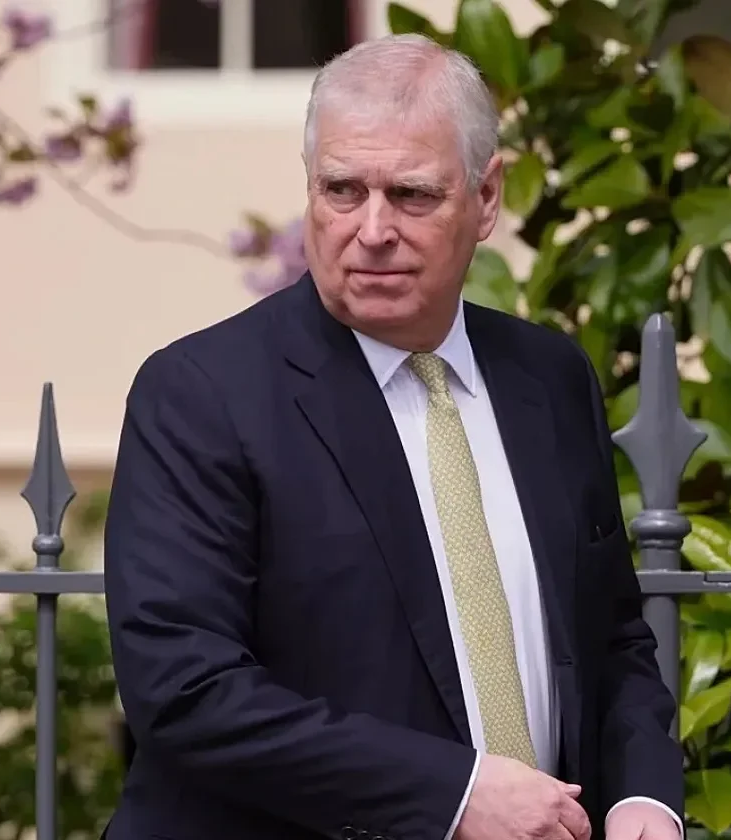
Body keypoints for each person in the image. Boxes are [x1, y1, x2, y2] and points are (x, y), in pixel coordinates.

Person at [102, 33, 684, 840]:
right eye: (342, 190)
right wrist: (456, 796)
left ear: (486, 197)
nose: (371, 229)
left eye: (411, 196)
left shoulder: (549, 379)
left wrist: (642, 800)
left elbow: (612, 639)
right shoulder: (203, 394)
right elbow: (185, 690)